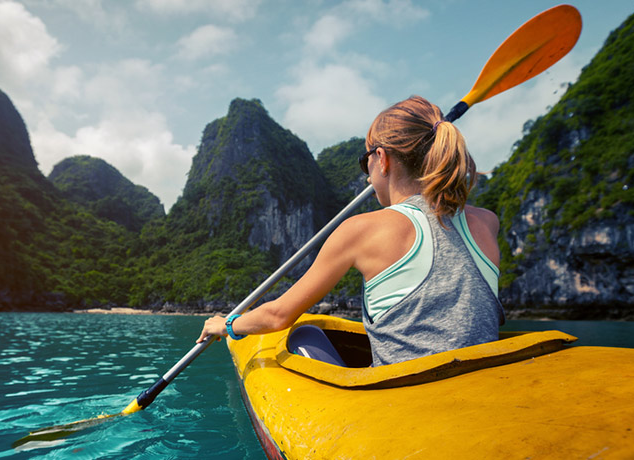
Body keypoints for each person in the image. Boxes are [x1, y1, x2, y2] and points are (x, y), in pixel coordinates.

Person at [196, 95, 505, 366]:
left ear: (382, 160)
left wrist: (227, 324)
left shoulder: (360, 230)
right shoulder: (487, 223)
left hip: (406, 400)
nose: (368, 177)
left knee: (304, 335)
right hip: (480, 385)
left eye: (365, 161)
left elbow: (278, 316)